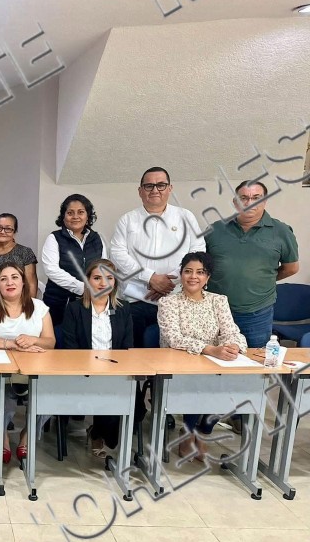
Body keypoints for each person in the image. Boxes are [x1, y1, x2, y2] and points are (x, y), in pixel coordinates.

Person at [158, 251, 248, 459]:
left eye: (200, 272)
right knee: (201, 383)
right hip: (180, 363)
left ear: (207, 277)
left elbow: (231, 331)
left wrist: (234, 346)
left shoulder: (219, 301)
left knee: (231, 386)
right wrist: (210, 350)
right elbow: (174, 338)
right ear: (181, 274)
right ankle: (187, 432)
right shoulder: (168, 303)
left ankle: (204, 432)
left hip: (215, 363)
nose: (193, 276)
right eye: (188, 271)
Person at [110, 167, 205, 347]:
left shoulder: (185, 217)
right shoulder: (127, 220)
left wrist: (170, 281)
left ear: (170, 188)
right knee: (134, 353)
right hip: (135, 300)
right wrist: (150, 277)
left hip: (175, 299)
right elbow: (117, 254)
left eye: (161, 185)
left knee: (172, 353)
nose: (155, 190)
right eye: (149, 186)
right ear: (140, 191)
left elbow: (198, 252)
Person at [0, 262, 55, 464]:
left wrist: (33, 340)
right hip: (1, 371)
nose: (9, 282)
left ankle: (26, 436)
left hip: (34, 370)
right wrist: (11, 344)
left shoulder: (39, 307)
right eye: (3, 279)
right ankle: (3, 438)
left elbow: (50, 342)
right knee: (1, 397)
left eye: (14, 277)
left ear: (23, 282)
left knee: (50, 397)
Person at [205, 180, 300, 349]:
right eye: (244, 198)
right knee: (213, 358)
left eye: (256, 198)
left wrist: (262, 279)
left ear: (265, 201)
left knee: (254, 359)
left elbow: (291, 268)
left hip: (257, 314)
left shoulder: (281, 231)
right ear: (235, 202)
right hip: (214, 311)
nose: (249, 203)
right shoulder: (215, 230)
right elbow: (200, 267)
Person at [61, 259, 134, 458]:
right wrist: (93, 367)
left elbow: (127, 347)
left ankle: (99, 433)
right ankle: (99, 434)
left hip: (115, 371)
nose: (103, 283)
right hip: (84, 372)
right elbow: (70, 348)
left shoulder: (123, 309)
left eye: (109, 278)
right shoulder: (75, 309)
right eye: (97, 278)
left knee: (131, 401)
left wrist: (114, 370)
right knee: (107, 393)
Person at [41, 194, 106, 326]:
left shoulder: (98, 239)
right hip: (59, 303)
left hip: (91, 302)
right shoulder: (54, 238)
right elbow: (51, 270)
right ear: (63, 216)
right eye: (70, 213)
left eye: (80, 212)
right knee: (59, 337)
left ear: (88, 216)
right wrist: (82, 288)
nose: (75, 216)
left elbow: (104, 269)